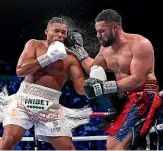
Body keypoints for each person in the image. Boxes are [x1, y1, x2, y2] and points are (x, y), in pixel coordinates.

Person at [67, 9, 162, 150]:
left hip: (143, 94)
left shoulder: (140, 44)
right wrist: (79, 50)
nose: (98, 35)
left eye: (102, 31)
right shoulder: (105, 49)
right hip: (123, 98)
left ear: (115, 28)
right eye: (97, 31)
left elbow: (138, 80)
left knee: (114, 143)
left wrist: (104, 87)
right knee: (124, 144)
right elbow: (94, 70)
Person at [0, 17, 92, 150]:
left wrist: (94, 84)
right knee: (8, 141)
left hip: (50, 106)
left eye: (63, 32)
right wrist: (48, 57)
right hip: (24, 100)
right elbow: (20, 71)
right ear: (47, 31)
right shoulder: (34, 45)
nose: (60, 35)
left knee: (68, 149)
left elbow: (80, 88)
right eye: (56, 31)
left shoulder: (71, 57)